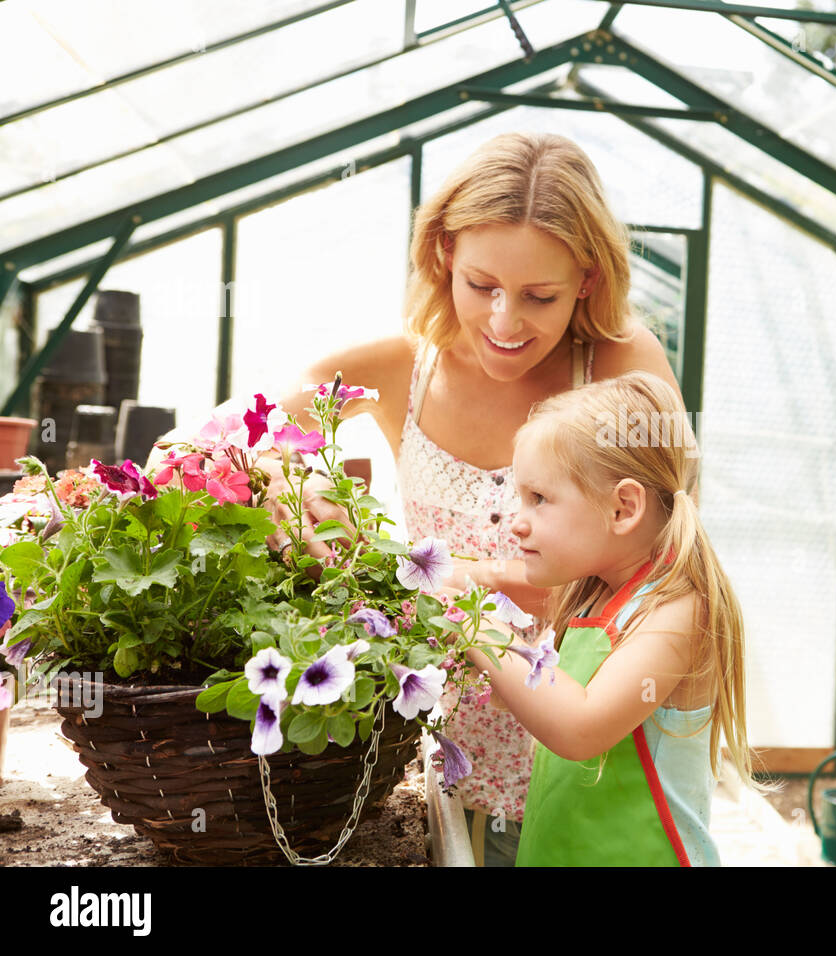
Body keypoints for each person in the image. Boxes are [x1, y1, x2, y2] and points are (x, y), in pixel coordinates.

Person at [148, 132, 683, 866]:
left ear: (588, 280)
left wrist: (435, 577)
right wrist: (282, 483)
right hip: (448, 755)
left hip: (593, 761)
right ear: (442, 257)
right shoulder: (403, 368)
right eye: (481, 284)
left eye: (540, 296)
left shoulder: (623, 367)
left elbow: (663, 568)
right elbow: (188, 448)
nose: (503, 321)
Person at [464, 371, 764, 866]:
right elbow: (529, 696)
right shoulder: (589, 597)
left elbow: (580, 728)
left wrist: (473, 623)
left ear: (623, 507)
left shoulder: (676, 611)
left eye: (538, 498)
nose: (517, 521)